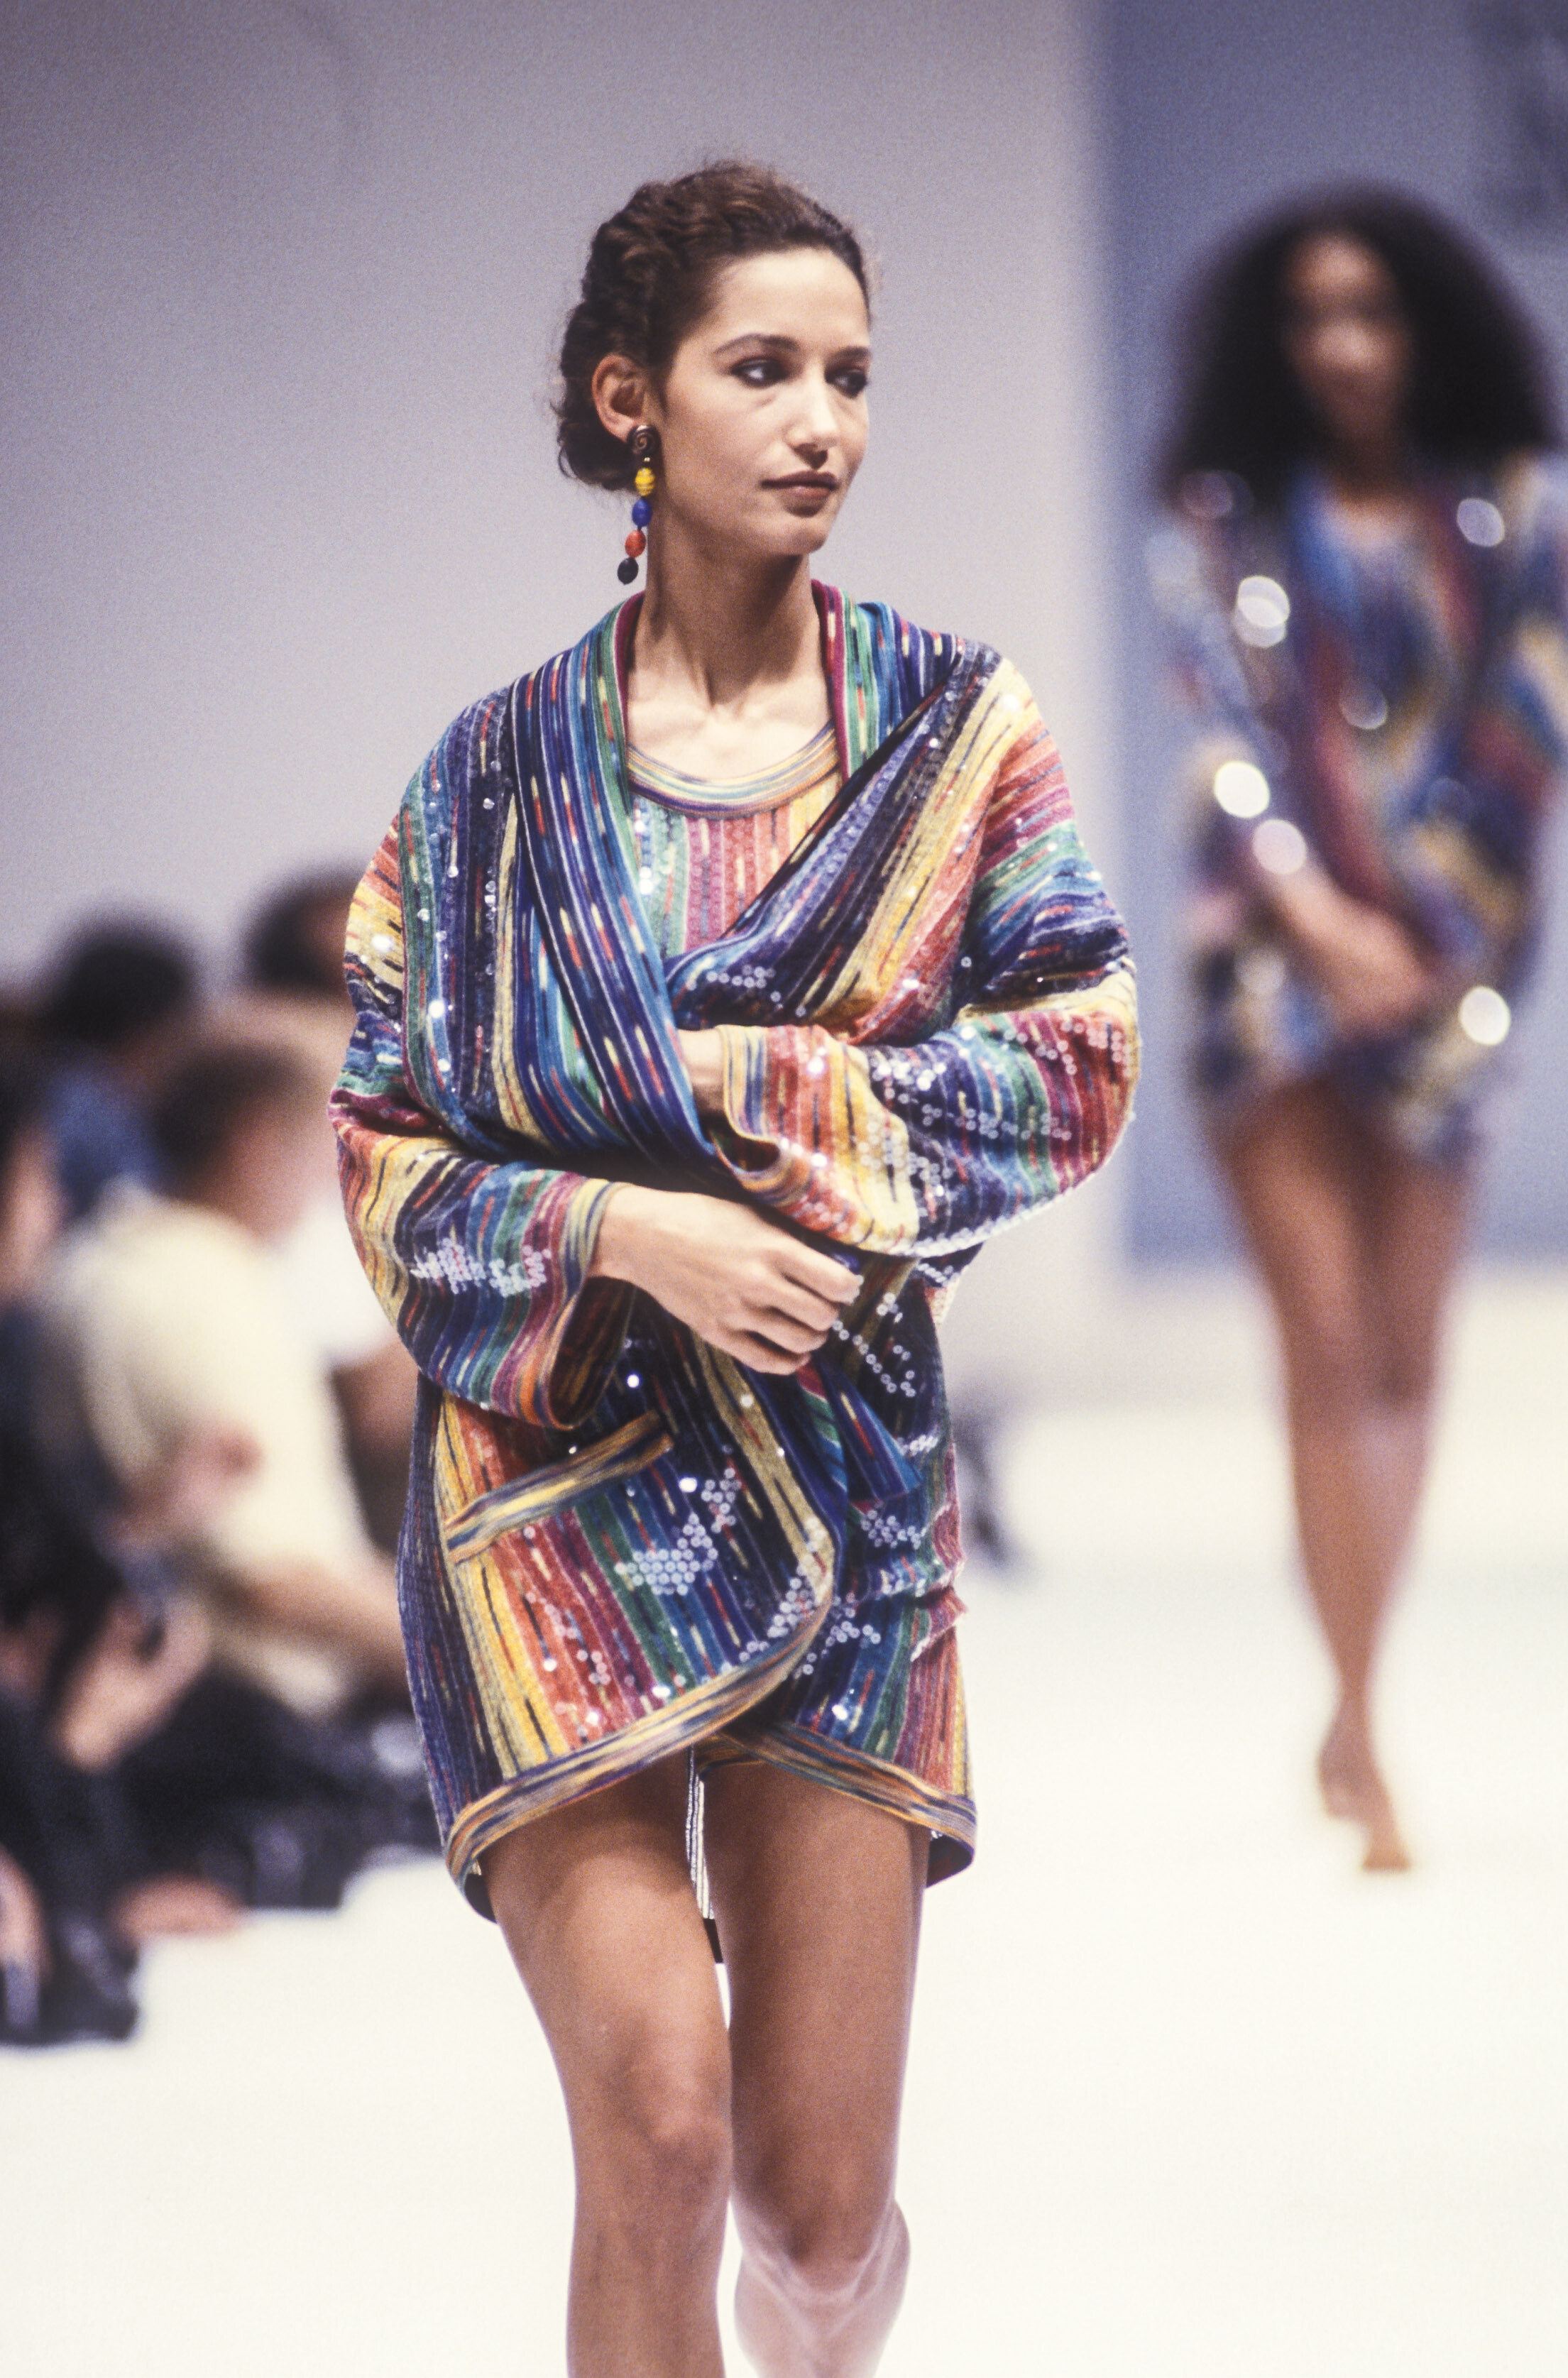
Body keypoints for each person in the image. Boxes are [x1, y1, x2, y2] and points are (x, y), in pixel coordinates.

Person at [333, 163, 1138, 2377]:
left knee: (813, 2211)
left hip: (841, 1487)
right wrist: (627, 1223)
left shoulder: (956, 732)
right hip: (545, 1495)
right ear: (633, 400)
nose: (821, 422)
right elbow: (384, 1149)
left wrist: (743, 1088)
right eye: (762, 368)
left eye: (851, 375)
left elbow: (1078, 1062)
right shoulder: (490, 781)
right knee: (660, 2129)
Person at [1152, 188, 1568, 1870]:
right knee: (1325, 1357)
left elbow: (1529, 729)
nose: (1341, 346)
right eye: (1311, 315)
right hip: (1270, 975)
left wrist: (1417, 931)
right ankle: (1364, 1719)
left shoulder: (1522, 512)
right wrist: (1319, 922)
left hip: (1451, 968)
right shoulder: (1221, 518)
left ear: (1428, 325)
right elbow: (1216, 739)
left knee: (1405, 1358)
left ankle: (1349, 1702)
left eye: (1373, 310)